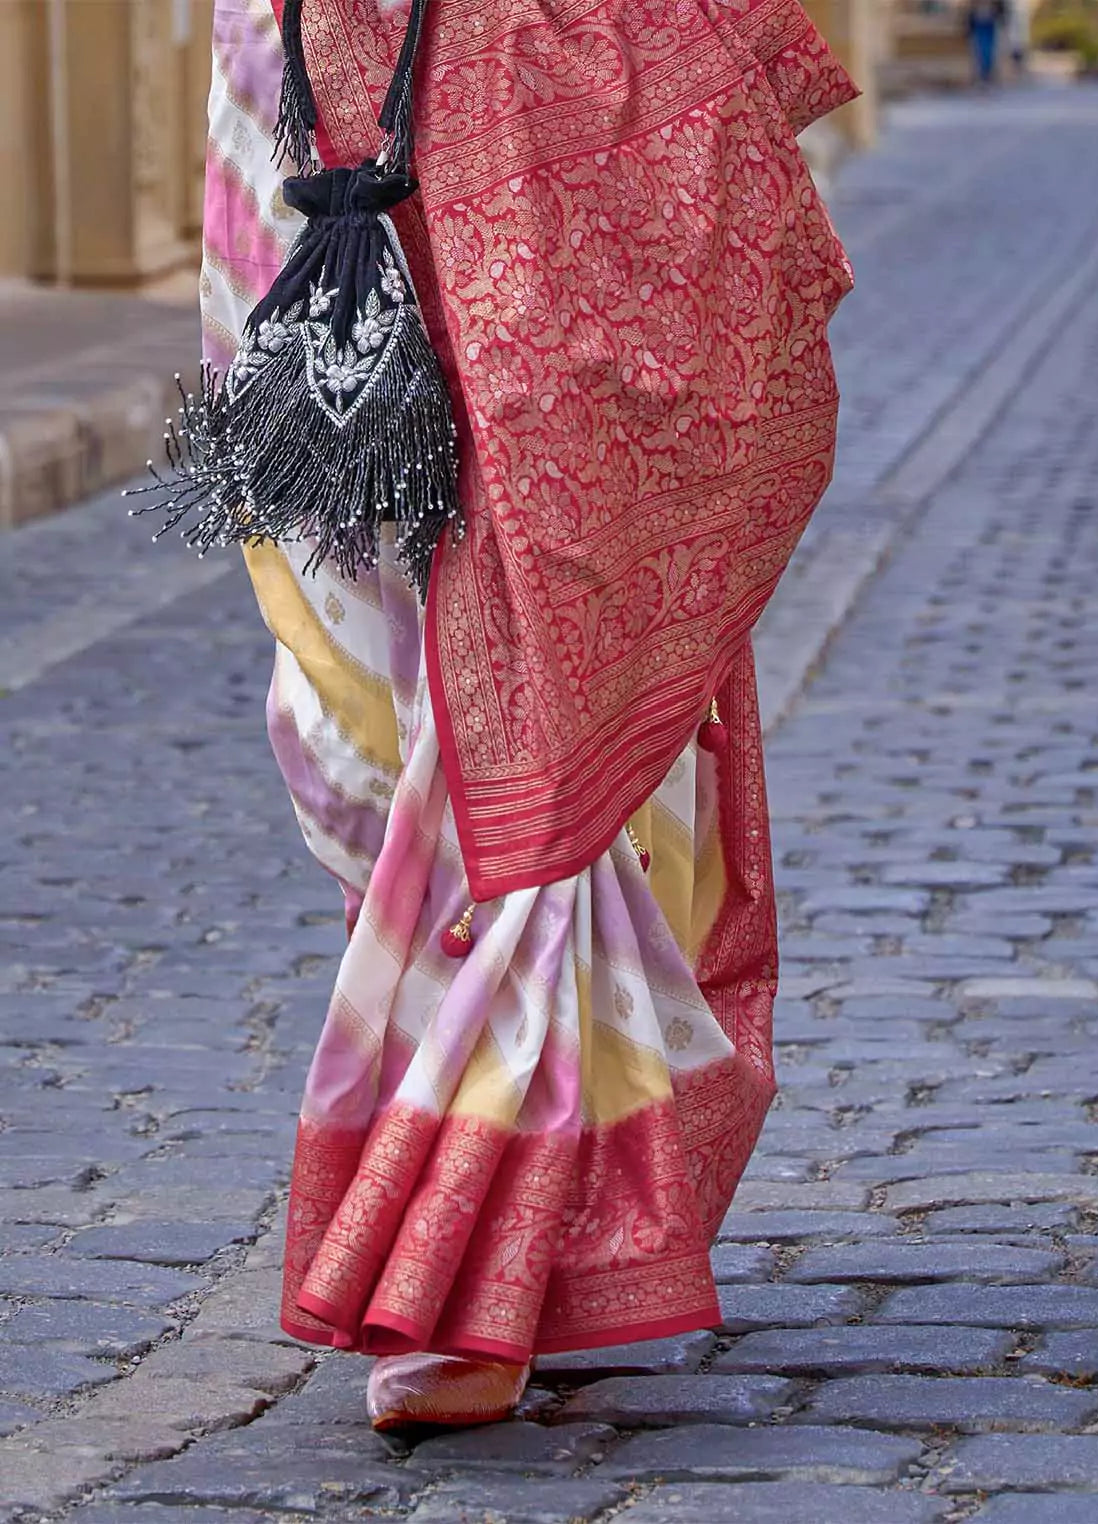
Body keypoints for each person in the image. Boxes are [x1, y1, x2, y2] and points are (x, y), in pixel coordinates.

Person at [199, 0, 855, 1429]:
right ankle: (539, 1217)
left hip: (553, 132)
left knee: (541, 699)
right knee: (348, 721)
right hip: (322, 122)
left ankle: (482, 1259)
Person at [966, 0, 1011, 83]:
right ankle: (984, 73)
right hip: (981, 21)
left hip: (987, 21)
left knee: (987, 48)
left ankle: (986, 73)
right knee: (983, 48)